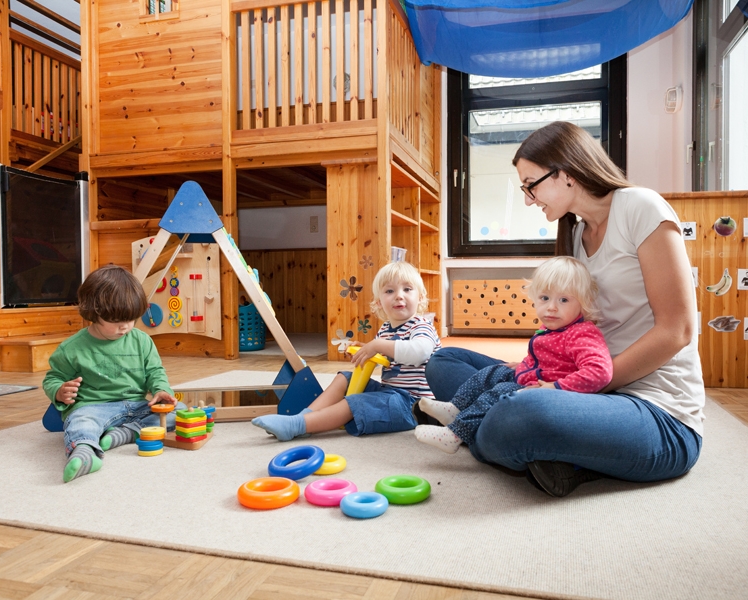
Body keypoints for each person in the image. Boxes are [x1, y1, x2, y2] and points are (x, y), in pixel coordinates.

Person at [426, 121, 704, 497]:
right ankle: (522, 438)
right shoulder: (575, 233)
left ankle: (489, 430)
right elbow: (573, 331)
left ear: (566, 173)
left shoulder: (641, 207)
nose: (528, 198)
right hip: (580, 385)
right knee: (444, 362)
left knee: (518, 415)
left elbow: (678, 331)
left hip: (656, 410)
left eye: (530, 185)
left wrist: (571, 389)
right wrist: (534, 372)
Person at [415, 256, 612, 454]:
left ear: (583, 303)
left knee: (498, 392)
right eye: (545, 298)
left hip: (547, 391)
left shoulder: (582, 333)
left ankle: (456, 434)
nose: (551, 307)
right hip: (530, 377)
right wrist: (523, 365)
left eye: (563, 300)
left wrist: (556, 387)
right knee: (491, 373)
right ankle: (455, 408)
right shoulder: (550, 327)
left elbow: (600, 371)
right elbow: (542, 358)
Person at [252, 261, 441, 441]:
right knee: (345, 378)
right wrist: (364, 351)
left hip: (413, 405)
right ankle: (305, 418)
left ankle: (298, 425)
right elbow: (381, 356)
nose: (399, 295)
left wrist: (375, 345)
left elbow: (419, 352)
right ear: (379, 302)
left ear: (421, 297)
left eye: (407, 289)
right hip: (391, 392)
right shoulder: (385, 329)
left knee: (356, 402)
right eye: (390, 291)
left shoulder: (421, 327)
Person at [43, 264, 179, 483]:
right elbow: (53, 377)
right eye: (116, 322)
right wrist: (59, 391)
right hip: (93, 408)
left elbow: (155, 371)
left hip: (136, 407)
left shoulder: (142, 341)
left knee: (177, 412)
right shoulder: (72, 348)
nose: (125, 327)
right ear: (93, 313)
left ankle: (126, 434)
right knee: (80, 422)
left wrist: (161, 390)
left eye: (131, 319)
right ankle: (85, 453)